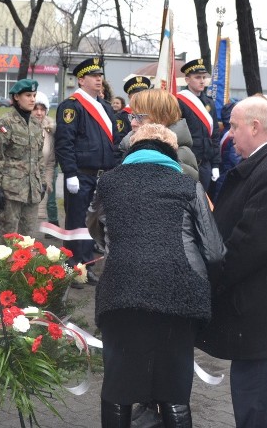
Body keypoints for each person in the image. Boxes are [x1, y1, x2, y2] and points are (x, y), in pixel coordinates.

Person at [87, 123, 225, 428]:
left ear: (133, 149)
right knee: (173, 391)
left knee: (118, 389)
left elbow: (95, 225)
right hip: (179, 294)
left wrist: (115, 246)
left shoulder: (108, 183)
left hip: (121, 292)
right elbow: (214, 251)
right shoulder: (189, 185)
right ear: (172, 152)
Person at [196, 96, 267, 428]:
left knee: (253, 394)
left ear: (255, 127)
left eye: (234, 126)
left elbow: (250, 245)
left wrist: (214, 277)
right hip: (260, 304)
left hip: (256, 304)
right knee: (263, 390)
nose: (230, 134)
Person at [55, 57, 119, 284]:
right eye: (93, 76)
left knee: (93, 225)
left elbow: (114, 141)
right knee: (77, 223)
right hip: (80, 174)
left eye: (100, 75)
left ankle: (87, 265)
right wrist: (70, 172)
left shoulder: (105, 107)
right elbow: (65, 143)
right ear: (81, 80)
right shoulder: (72, 106)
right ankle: (71, 268)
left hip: (103, 174)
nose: (99, 79)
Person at [0, 79, 45, 238]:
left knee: (28, 239)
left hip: (32, 191)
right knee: (8, 238)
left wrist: (42, 182)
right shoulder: (6, 122)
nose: (32, 99)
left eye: (34, 95)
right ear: (16, 97)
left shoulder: (36, 124)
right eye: (28, 95)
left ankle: (24, 264)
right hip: (10, 191)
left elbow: (39, 158)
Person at [120, 88, 198, 180]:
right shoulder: (129, 146)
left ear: (163, 119)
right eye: (132, 116)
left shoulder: (179, 155)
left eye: (139, 117)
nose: (133, 123)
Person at [176, 59, 221, 192]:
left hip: (205, 163)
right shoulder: (179, 101)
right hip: (186, 162)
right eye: (197, 77)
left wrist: (216, 164)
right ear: (187, 80)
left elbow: (215, 135)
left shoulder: (209, 103)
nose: (202, 81)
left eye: (204, 77)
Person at [33, 91, 57, 224]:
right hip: (17, 187)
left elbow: (50, 162)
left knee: (30, 227)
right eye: (35, 109)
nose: (39, 113)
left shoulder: (49, 131)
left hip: (39, 185)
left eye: (42, 109)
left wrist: (47, 183)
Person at [118, 76, 151, 141]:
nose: (140, 96)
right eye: (136, 94)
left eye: (143, 93)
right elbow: (120, 140)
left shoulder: (152, 112)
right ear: (129, 96)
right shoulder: (121, 116)